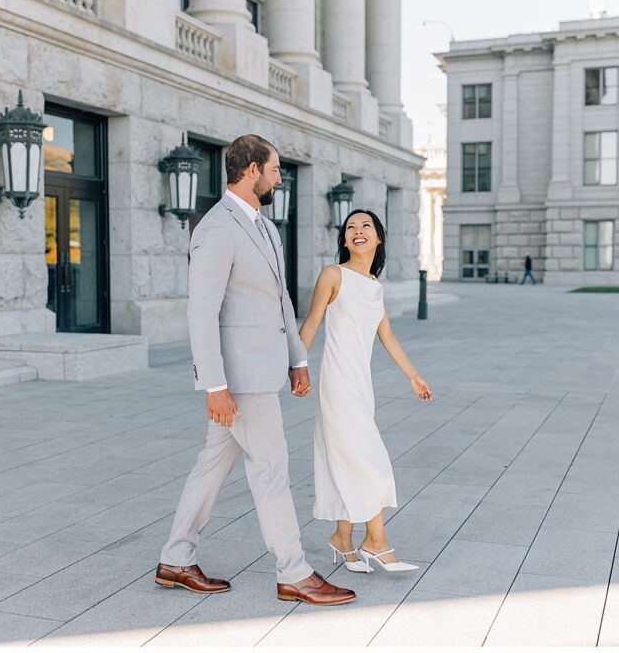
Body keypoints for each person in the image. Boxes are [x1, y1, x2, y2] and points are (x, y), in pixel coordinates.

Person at [156, 135, 355, 606]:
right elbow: (201, 312)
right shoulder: (215, 228)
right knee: (271, 470)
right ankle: (294, 572)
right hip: (239, 381)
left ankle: (176, 560)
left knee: (212, 465)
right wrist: (215, 386)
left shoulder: (266, 228)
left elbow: (280, 299)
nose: (279, 176)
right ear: (250, 170)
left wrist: (297, 358)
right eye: (275, 168)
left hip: (264, 370)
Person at [299, 209, 432, 574]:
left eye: (366, 226)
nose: (357, 231)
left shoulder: (375, 288)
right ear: (344, 240)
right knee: (369, 458)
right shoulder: (333, 275)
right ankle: (376, 543)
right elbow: (311, 321)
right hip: (337, 384)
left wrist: (413, 375)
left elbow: (386, 335)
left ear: (378, 239)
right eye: (351, 227)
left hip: (361, 385)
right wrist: (297, 366)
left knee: (349, 458)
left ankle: (342, 539)